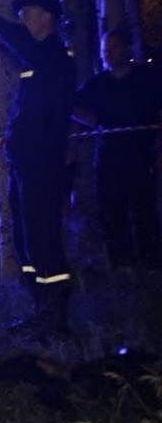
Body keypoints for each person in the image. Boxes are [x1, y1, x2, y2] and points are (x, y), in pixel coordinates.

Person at [0, 0, 76, 332]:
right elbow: (31, 111)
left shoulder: (53, 56)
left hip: (44, 165)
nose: (24, 20)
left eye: (29, 13)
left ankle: (55, 318)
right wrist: (11, 138)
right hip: (26, 164)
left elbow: (21, 46)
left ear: (47, 18)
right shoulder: (37, 60)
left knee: (44, 239)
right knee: (28, 242)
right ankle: (38, 309)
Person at [73, 28, 162, 270]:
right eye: (105, 50)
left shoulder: (146, 78)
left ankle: (150, 261)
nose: (108, 54)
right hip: (109, 156)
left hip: (142, 155)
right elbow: (73, 106)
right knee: (111, 210)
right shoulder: (97, 83)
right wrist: (94, 122)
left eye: (113, 48)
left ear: (126, 48)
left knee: (144, 208)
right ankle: (121, 264)